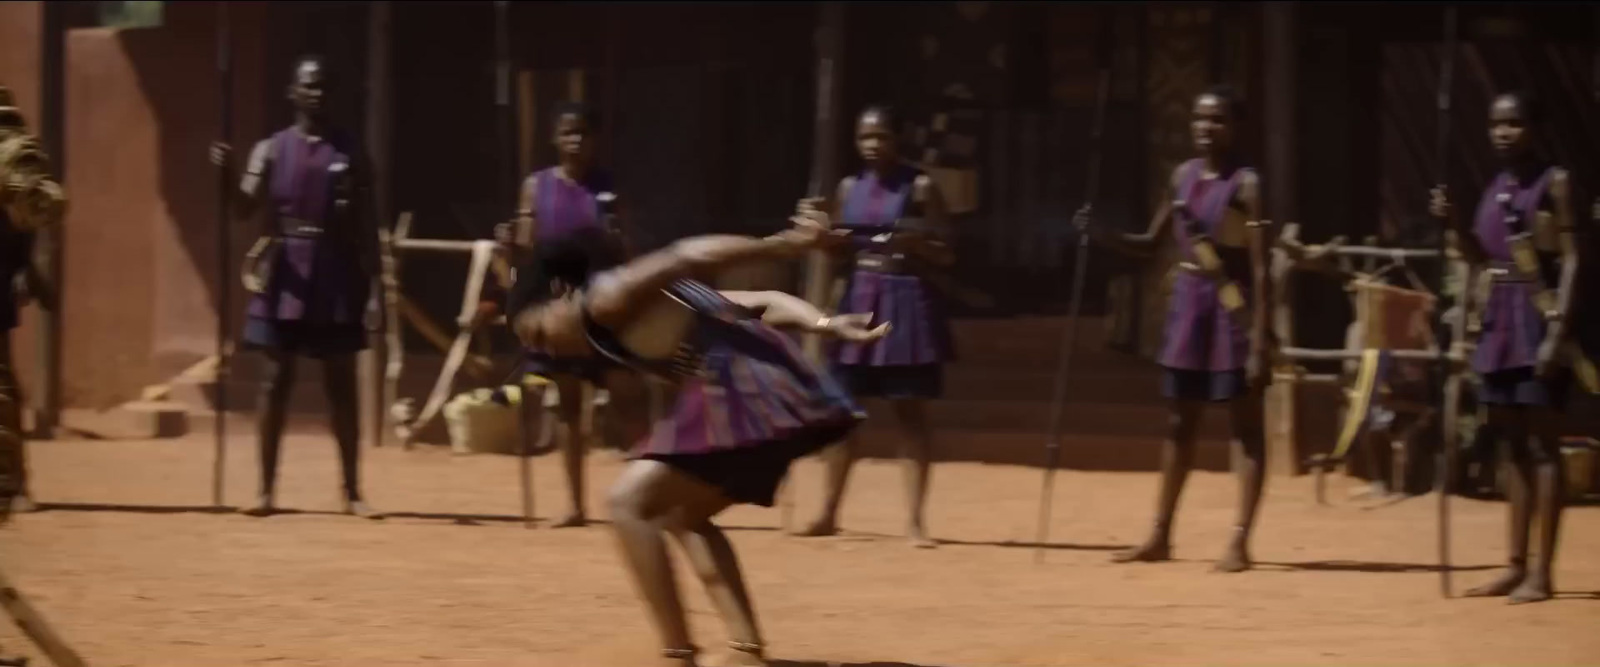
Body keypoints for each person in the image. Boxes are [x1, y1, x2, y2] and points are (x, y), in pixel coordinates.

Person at [511, 213, 884, 666]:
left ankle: (677, 654)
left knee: (628, 504)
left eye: (538, 333)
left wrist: (785, 245)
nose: (544, 349)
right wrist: (827, 324)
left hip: (743, 387)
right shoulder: (655, 301)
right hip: (764, 385)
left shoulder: (605, 296)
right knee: (686, 515)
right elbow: (763, 303)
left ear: (558, 292)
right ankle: (746, 650)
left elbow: (687, 253)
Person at [1084, 85, 1272, 572]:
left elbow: (1261, 269)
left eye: (1217, 120)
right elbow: (1151, 243)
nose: (1206, 128)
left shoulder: (1247, 185)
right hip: (1189, 307)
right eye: (1199, 119)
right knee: (1178, 422)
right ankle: (1160, 534)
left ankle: (1239, 541)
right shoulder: (1182, 177)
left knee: (1244, 427)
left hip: (1233, 307)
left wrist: (1259, 340)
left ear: (1236, 127)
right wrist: (1101, 234)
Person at [210, 55, 379, 519]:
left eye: (324, 86)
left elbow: (368, 223)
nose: (317, 94)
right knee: (274, 380)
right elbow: (243, 208)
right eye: (308, 86)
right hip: (286, 270)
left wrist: (376, 288)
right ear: (293, 92)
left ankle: (352, 490)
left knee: (341, 385)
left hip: (337, 271)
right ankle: (265, 490)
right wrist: (225, 176)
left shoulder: (350, 150)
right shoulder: (269, 149)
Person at [1429, 91, 1582, 604]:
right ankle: (1514, 564)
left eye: (1515, 123)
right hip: (1498, 321)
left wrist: (1558, 334)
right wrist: (1450, 220)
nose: (1504, 133)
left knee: (1542, 447)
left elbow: (1575, 259)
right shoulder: (1495, 188)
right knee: (1511, 445)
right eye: (1497, 124)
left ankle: (1543, 571)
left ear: (1535, 127)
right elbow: (1477, 257)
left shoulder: (1554, 183)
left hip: (1538, 320)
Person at [795, 105, 955, 549]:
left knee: (910, 412)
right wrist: (821, 239)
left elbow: (948, 254)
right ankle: (828, 510)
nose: (872, 146)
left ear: (896, 138)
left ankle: (916, 520)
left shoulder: (920, 186)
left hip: (905, 302)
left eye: (880, 137)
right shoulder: (849, 188)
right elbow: (840, 254)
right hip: (860, 300)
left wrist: (916, 241)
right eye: (865, 138)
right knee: (843, 411)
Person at [493, 102, 633, 528]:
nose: (576, 140)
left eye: (584, 133)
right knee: (568, 403)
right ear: (555, 139)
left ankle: (644, 495)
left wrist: (618, 241)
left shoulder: (607, 190)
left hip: (599, 303)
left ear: (595, 140)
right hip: (556, 306)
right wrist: (508, 250)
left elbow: (625, 249)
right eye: (568, 132)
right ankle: (574, 504)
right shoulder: (536, 188)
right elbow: (524, 245)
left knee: (627, 394)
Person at [0, 85, 66, 516]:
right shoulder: (19, 152)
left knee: (2, 385)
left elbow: (31, 220)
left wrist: (32, 273)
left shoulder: (14, 159)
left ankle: (12, 482)